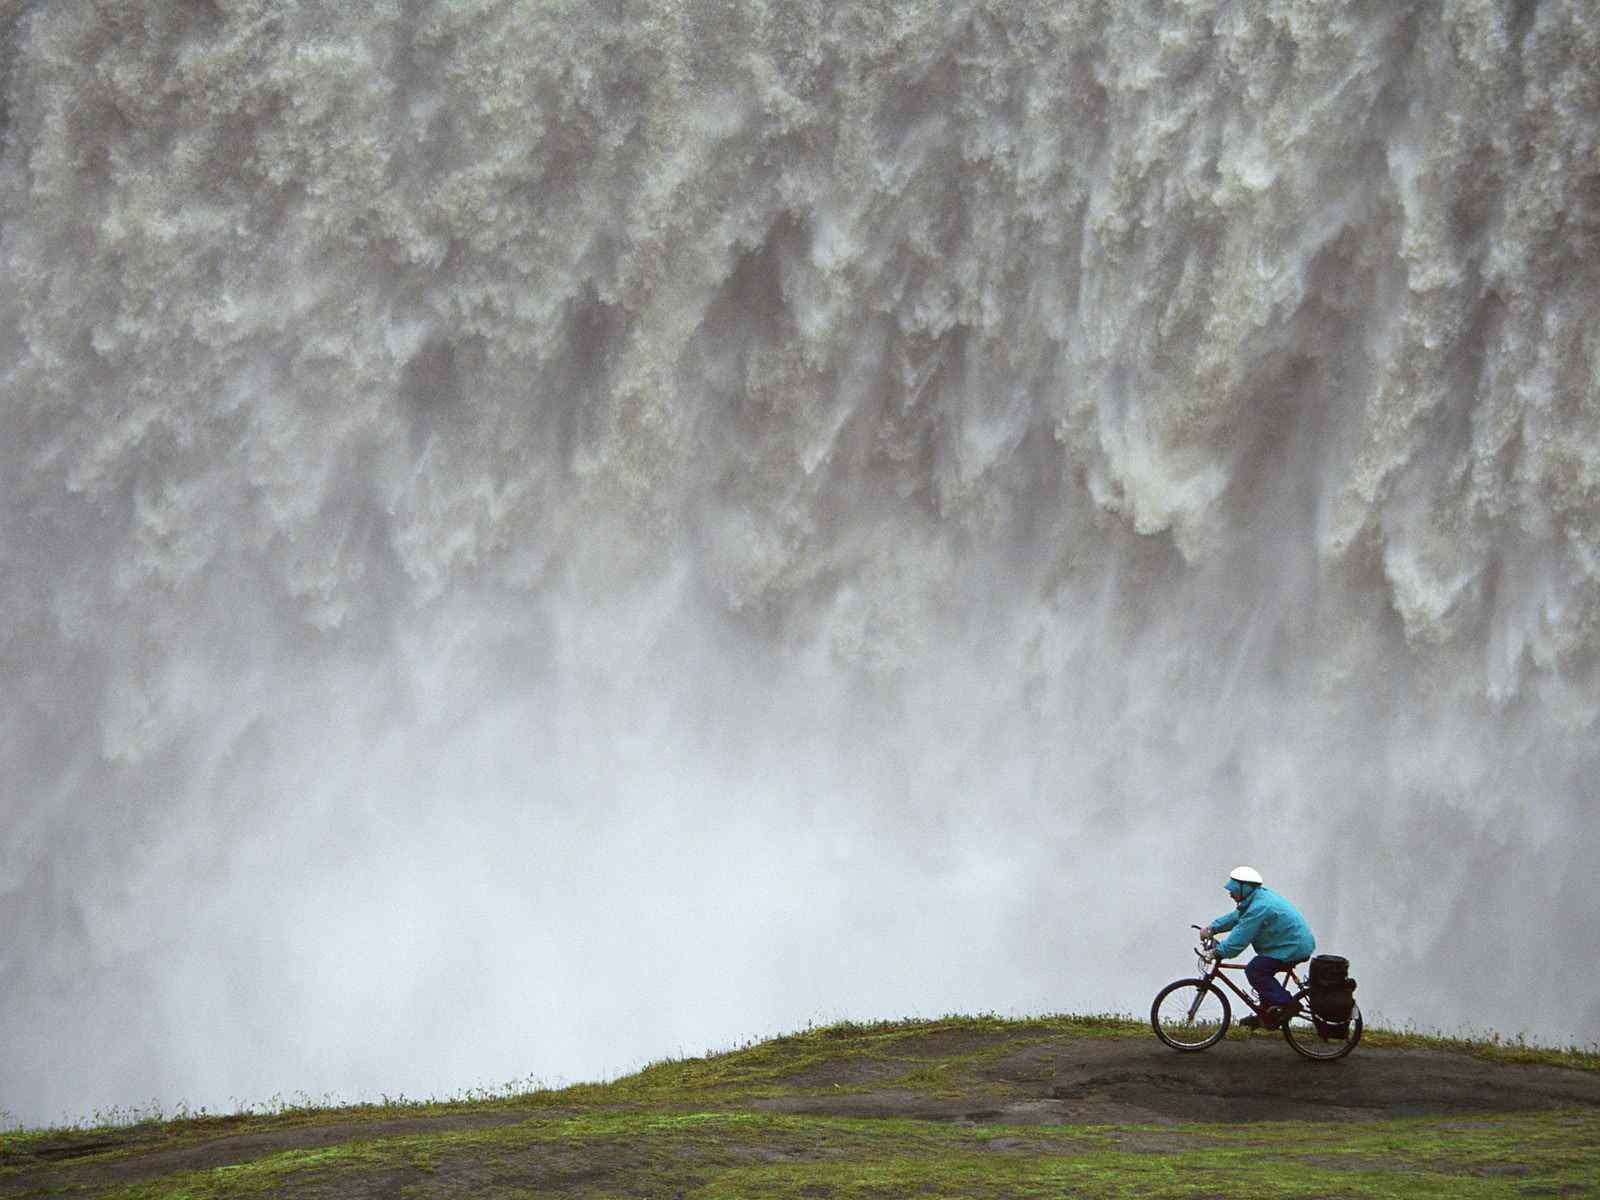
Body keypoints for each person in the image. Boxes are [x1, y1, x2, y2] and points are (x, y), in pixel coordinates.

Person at [1203, 865, 1316, 1029]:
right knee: (1262, 970)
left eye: (1233, 889)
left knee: (1255, 970)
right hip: (1289, 944)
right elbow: (1237, 916)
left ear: (1244, 888)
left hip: (1293, 948)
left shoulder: (1259, 907)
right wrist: (1212, 928)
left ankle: (1287, 1004)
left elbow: (1238, 940)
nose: (1230, 893)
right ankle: (1266, 1015)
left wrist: (1217, 952)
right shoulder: (1256, 898)